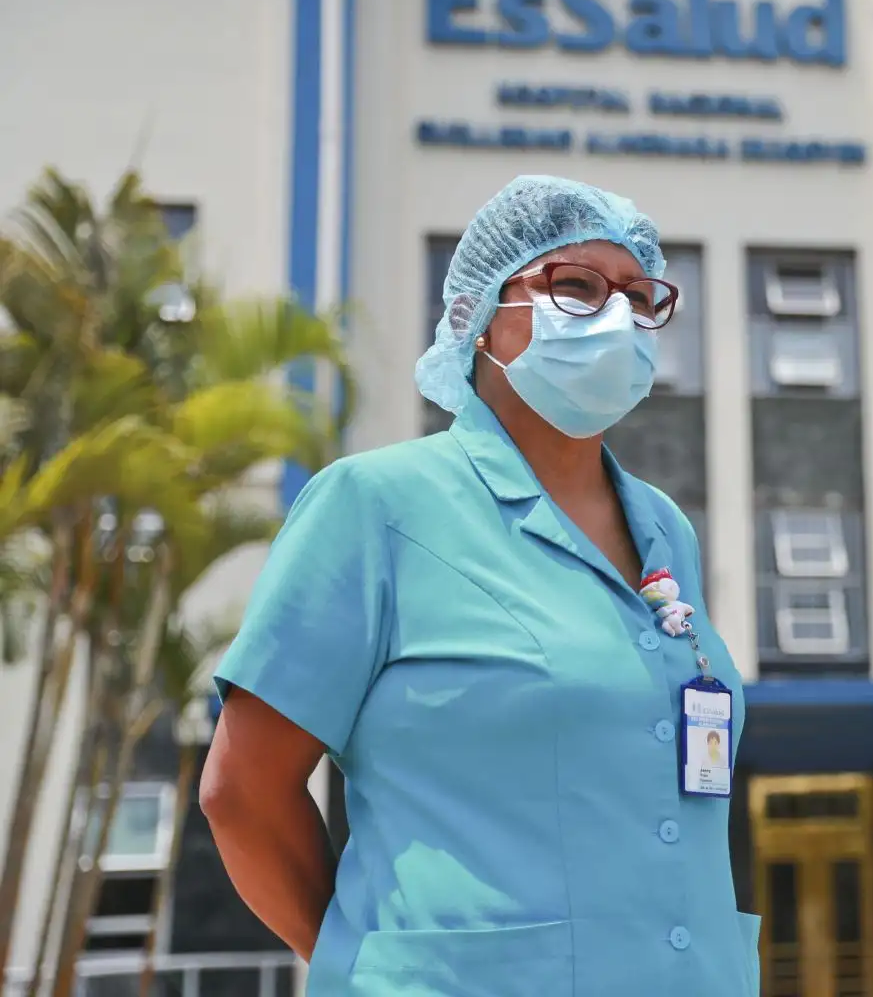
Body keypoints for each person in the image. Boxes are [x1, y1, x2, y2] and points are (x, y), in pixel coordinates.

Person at [199, 177, 760, 996]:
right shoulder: (376, 506)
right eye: (576, 286)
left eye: (640, 299)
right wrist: (379, 967)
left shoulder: (663, 525)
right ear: (477, 315)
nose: (617, 319)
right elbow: (242, 792)